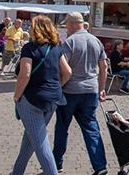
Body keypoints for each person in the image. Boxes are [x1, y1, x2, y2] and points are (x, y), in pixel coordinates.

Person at [12, 15, 72, 175]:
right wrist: (57, 86)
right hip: (53, 98)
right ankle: (17, 172)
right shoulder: (56, 47)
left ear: (36, 29)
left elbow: (25, 74)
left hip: (32, 99)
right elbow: (67, 71)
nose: (29, 28)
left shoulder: (29, 48)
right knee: (31, 138)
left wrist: (17, 96)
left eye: (31, 26)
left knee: (40, 142)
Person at [53, 13, 108, 175]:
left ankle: (56, 163)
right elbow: (103, 67)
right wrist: (102, 88)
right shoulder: (95, 40)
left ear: (71, 24)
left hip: (70, 91)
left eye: (66, 25)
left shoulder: (69, 42)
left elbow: (64, 69)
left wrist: (59, 86)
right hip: (90, 90)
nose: (66, 28)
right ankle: (100, 166)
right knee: (91, 128)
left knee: (62, 126)